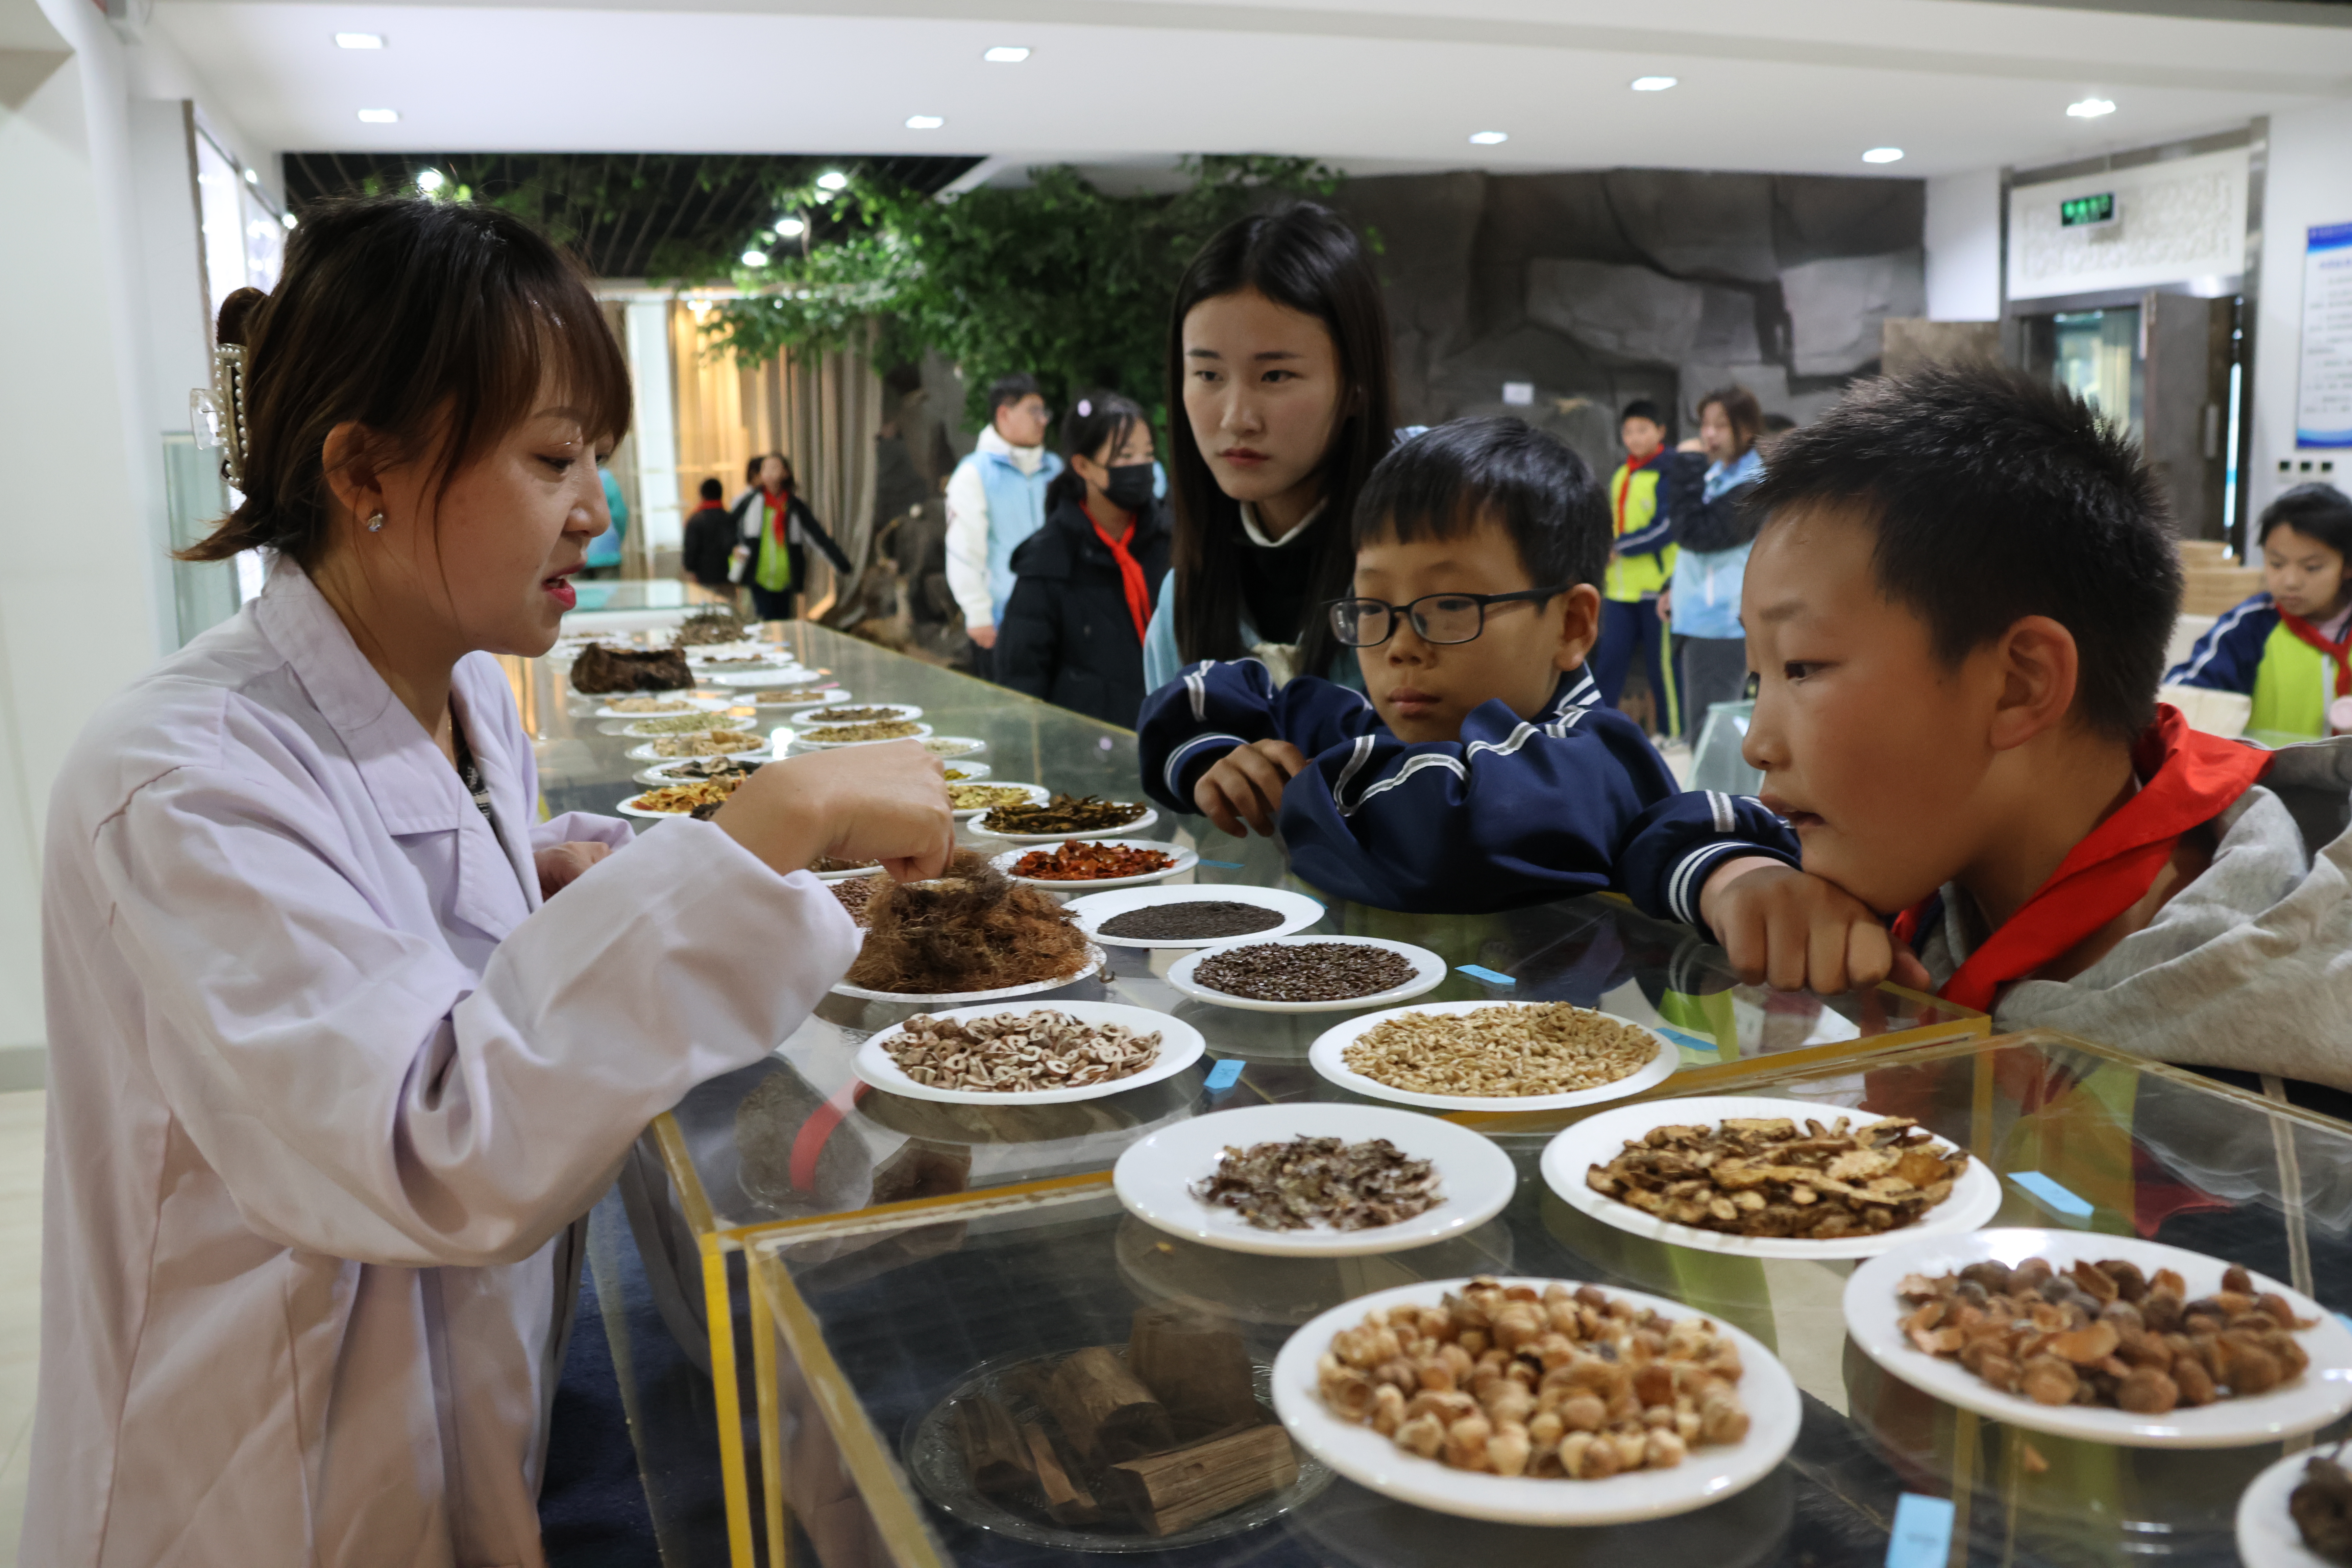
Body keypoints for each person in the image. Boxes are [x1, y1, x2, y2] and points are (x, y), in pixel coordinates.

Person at [25, 197, 954, 1566]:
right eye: (552, 457)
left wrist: (567, 873)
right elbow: (434, 1141)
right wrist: (775, 818)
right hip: (264, 1480)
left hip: (462, 1401)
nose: (596, 508)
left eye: (597, 457)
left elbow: (439, 918)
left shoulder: (462, 683)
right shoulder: (178, 777)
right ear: (364, 470)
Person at [1695, 361, 2352, 1087]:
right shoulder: (1924, 866)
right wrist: (1735, 874)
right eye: (1761, 677)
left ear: (2020, 684)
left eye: (1803, 667)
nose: (1759, 741)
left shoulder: (2274, 1071)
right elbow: (1652, 823)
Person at [1135, 416, 1853, 930]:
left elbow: (1447, 837)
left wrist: (1295, 788)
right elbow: (1207, 692)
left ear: (1572, 625)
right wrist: (1218, 759)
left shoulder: (1584, 758)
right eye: (1375, 607)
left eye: (1450, 607)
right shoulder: (1377, 726)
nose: (1400, 648)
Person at [1142, 203, 1396, 694]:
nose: (1237, 418)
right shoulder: (1185, 601)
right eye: (1208, 375)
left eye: (1275, 375)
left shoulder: (1426, 579)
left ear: (1358, 385)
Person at [996, 391, 1172, 727]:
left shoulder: (1172, 541)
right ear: (1083, 465)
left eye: (1147, 454)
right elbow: (1021, 680)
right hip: (1088, 753)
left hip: (1174, 744)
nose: (1141, 466)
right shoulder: (1048, 562)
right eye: (1125, 455)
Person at [2164, 483, 2352, 739]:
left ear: (2348, 566)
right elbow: (2183, 700)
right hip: (2266, 777)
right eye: (2277, 564)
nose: (2290, 581)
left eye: (2312, 567)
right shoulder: (2249, 627)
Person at [1660, 385, 1766, 738]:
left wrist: (1687, 462)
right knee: (1708, 730)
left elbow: (1698, 533)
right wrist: (1669, 586)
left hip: (1721, 623)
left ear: (1747, 429)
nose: (1708, 435)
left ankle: (1713, 797)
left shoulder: (1753, 484)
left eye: (1720, 425)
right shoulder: (1719, 473)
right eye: (1705, 424)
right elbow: (1700, 548)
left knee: (1711, 737)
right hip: (1702, 618)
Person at [944, 372, 1061, 675]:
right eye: (1033, 411)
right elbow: (964, 548)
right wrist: (978, 613)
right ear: (1004, 414)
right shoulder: (974, 474)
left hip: (1058, 616)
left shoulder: (1055, 469)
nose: (1043, 421)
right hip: (1001, 619)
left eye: (1044, 412)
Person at [1592, 399, 1678, 733]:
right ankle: (1594, 731)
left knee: (1663, 670)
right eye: (1628, 431)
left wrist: (1620, 547)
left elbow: (1665, 527)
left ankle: (1674, 735)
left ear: (1660, 431)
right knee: (1609, 662)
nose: (1634, 438)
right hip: (1620, 589)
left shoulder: (1669, 470)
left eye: (1642, 430)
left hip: (1658, 589)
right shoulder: (1622, 472)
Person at [728, 451, 852, 622]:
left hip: (786, 579)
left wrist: (842, 564)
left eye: (775, 468)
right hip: (758, 577)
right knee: (764, 625)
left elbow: (817, 536)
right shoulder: (750, 502)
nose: (770, 472)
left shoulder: (794, 506)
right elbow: (727, 528)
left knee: (785, 625)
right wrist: (734, 547)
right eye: (766, 468)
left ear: (786, 473)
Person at [680, 475, 738, 599]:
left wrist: (691, 568)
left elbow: (691, 549)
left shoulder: (695, 520)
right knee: (728, 612)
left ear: (702, 495)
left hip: (703, 578)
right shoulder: (729, 518)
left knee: (706, 613)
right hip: (727, 578)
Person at [580, 459, 628, 578]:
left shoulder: (573, 478)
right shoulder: (606, 478)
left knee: (581, 595)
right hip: (607, 552)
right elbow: (619, 515)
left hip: (578, 555)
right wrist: (618, 540)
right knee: (609, 594)